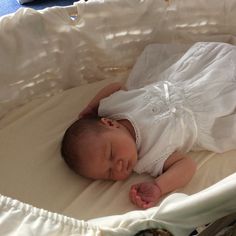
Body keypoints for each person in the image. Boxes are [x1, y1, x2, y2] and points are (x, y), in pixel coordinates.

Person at [61, 42, 236, 209]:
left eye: (112, 154)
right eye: (109, 174)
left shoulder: (114, 108)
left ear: (109, 123)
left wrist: (92, 107)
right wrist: (158, 187)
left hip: (189, 78)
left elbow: (115, 86)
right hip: (209, 109)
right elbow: (187, 165)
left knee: (223, 64)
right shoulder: (149, 159)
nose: (118, 166)